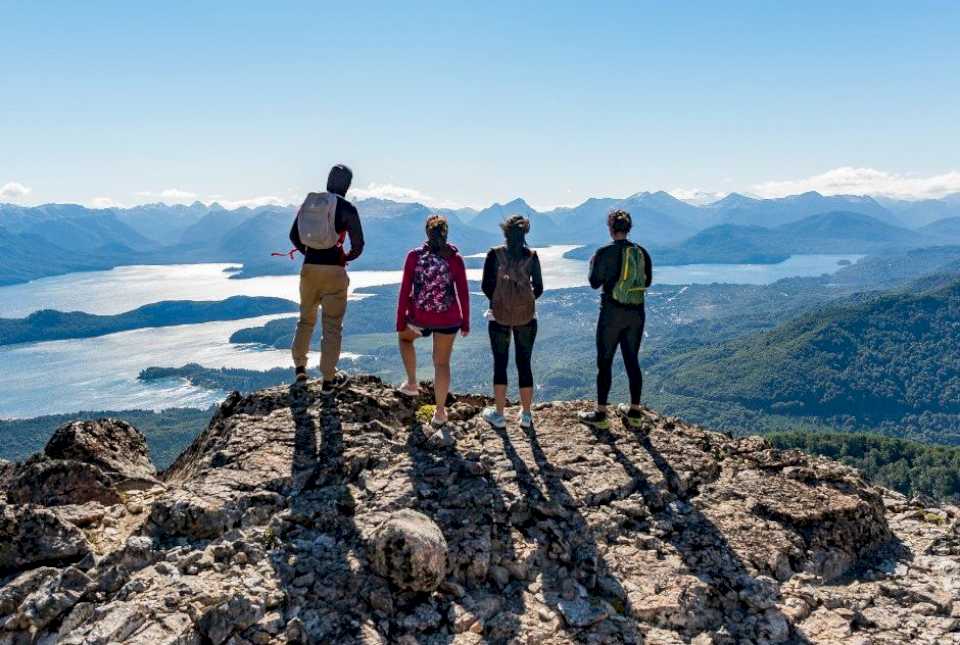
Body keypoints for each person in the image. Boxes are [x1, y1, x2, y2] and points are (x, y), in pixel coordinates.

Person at [289, 164, 365, 390]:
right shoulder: (347, 208)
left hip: (310, 268)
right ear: (347, 185)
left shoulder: (311, 204)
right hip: (334, 271)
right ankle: (328, 379)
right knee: (332, 325)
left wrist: (310, 253)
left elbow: (294, 236)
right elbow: (359, 244)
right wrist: (345, 256)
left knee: (305, 319)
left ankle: (300, 369)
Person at [578, 209, 653, 430]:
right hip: (636, 314)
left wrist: (593, 264)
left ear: (611, 228)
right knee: (632, 361)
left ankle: (601, 415)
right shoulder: (641, 252)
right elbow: (646, 283)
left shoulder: (604, 252)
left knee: (605, 362)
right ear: (628, 228)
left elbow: (593, 282)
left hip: (611, 314)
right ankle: (635, 413)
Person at [395, 215, 470, 427]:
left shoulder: (414, 256)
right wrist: (465, 322)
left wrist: (400, 321)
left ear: (427, 233)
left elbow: (404, 291)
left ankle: (411, 383)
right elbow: (462, 292)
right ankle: (440, 413)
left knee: (405, 339)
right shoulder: (455, 258)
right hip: (449, 319)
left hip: (420, 317)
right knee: (442, 363)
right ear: (446, 233)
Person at [479, 215, 544, 430]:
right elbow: (539, 288)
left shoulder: (494, 255)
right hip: (527, 318)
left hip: (498, 317)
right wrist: (522, 303)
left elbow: (486, 285)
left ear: (505, 233)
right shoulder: (531, 256)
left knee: (500, 363)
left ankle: (498, 415)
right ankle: (526, 415)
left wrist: (499, 302)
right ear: (525, 233)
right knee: (524, 363)